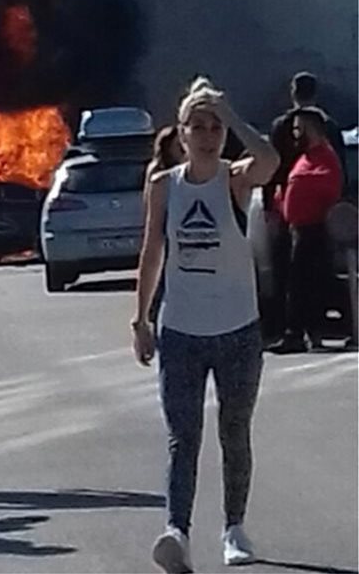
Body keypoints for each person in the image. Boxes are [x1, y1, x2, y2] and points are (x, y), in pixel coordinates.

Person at [131, 77, 279, 573]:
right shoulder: (164, 186)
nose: (209, 135)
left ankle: (234, 529)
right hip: (181, 332)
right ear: (182, 133)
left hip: (238, 329)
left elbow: (270, 160)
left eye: (215, 127)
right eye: (199, 126)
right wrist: (141, 318)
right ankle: (177, 532)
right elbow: (152, 252)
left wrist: (231, 113)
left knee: (234, 432)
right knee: (183, 437)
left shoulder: (236, 179)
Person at [264, 72, 346, 339]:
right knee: (303, 272)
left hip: (303, 214)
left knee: (296, 272)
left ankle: (298, 327)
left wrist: (268, 206)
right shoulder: (329, 126)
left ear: (293, 92)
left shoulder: (286, 126)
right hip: (302, 211)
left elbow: (272, 169)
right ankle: (300, 326)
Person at [145, 126, 186, 328]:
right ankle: (151, 314)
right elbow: (149, 202)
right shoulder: (158, 171)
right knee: (161, 274)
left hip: (183, 229)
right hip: (166, 228)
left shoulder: (188, 168)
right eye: (177, 146)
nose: (181, 150)